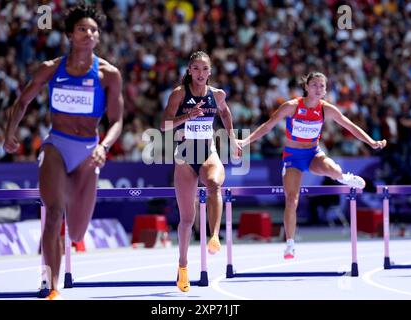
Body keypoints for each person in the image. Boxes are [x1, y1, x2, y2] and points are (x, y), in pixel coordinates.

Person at [3, 3, 124, 299]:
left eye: (93, 30)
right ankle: (50, 283)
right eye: (82, 29)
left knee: (78, 232)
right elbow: (22, 102)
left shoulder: (109, 74)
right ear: (70, 34)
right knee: (54, 212)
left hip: (88, 151)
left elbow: (118, 120)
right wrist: (10, 133)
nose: (89, 34)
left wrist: (104, 147)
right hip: (57, 143)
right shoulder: (50, 69)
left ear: (99, 36)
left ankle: (58, 265)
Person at [236, 72, 386, 260]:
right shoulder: (291, 106)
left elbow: (350, 126)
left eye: (321, 86)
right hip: (292, 157)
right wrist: (245, 141)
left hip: (313, 154)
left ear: (325, 90)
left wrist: (371, 141)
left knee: (334, 170)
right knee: (292, 199)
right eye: (314, 85)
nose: (318, 89)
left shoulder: (327, 109)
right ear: (306, 87)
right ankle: (290, 244)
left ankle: (344, 178)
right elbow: (268, 126)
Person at [160, 51, 239, 292]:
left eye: (205, 69)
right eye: (196, 69)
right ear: (189, 71)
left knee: (215, 183)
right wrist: (187, 116)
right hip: (184, 157)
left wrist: (233, 140)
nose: (200, 73)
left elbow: (225, 113)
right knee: (186, 219)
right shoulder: (179, 93)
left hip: (207, 152)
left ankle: (214, 235)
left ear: (210, 72)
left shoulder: (217, 94)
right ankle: (182, 267)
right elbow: (164, 125)